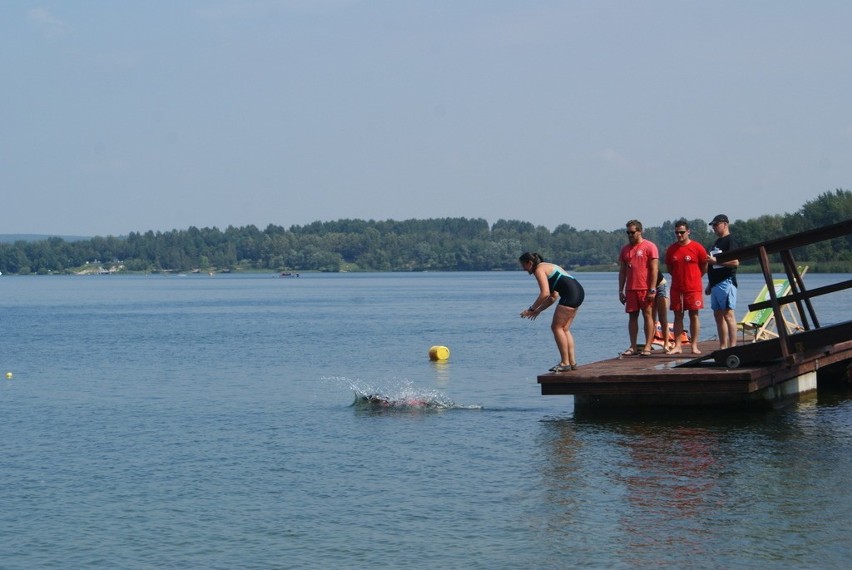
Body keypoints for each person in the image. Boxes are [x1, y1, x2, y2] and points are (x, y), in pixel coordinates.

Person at [519, 252, 585, 372]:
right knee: (564, 329)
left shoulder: (539, 269)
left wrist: (531, 309)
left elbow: (544, 293)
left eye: (523, 265)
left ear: (529, 263)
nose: (523, 269)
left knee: (556, 328)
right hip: (578, 292)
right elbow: (553, 296)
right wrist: (538, 310)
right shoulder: (545, 266)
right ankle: (572, 362)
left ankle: (565, 363)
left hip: (570, 294)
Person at [664, 220, 708, 355]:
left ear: (688, 232)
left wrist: (695, 277)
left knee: (694, 316)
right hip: (677, 288)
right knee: (678, 317)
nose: (679, 235)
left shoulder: (697, 247)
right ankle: (677, 346)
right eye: (677, 232)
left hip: (693, 288)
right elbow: (670, 268)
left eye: (682, 232)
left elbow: (704, 267)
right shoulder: (671, 249)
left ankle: (694, 345)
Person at [618, 220, 659, 356]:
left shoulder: (649, 246)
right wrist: (620, 290)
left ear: (640, 231)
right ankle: (633, 346)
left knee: (648, 315)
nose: (630, 235)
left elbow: (654, 269)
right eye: (628, 232)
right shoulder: (625, 249)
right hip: (631, 288)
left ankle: (648, 345)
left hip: (645, 288)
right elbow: (623, 271)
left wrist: (652, 288)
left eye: (632, 232)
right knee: (632, 317)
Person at [706, 214, 739, 349]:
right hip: (714, 284)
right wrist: (709, 284)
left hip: (726, 282)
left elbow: (736, 262)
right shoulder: (716, 242)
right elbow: (712, 265)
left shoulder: (730, 241)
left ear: (725, 224)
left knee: (728, 314)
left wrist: (717, 261)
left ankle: (733, 346)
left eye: (716, 225)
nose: (714, 228)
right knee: (718, 315)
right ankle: (723, 346)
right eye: (713, 225)